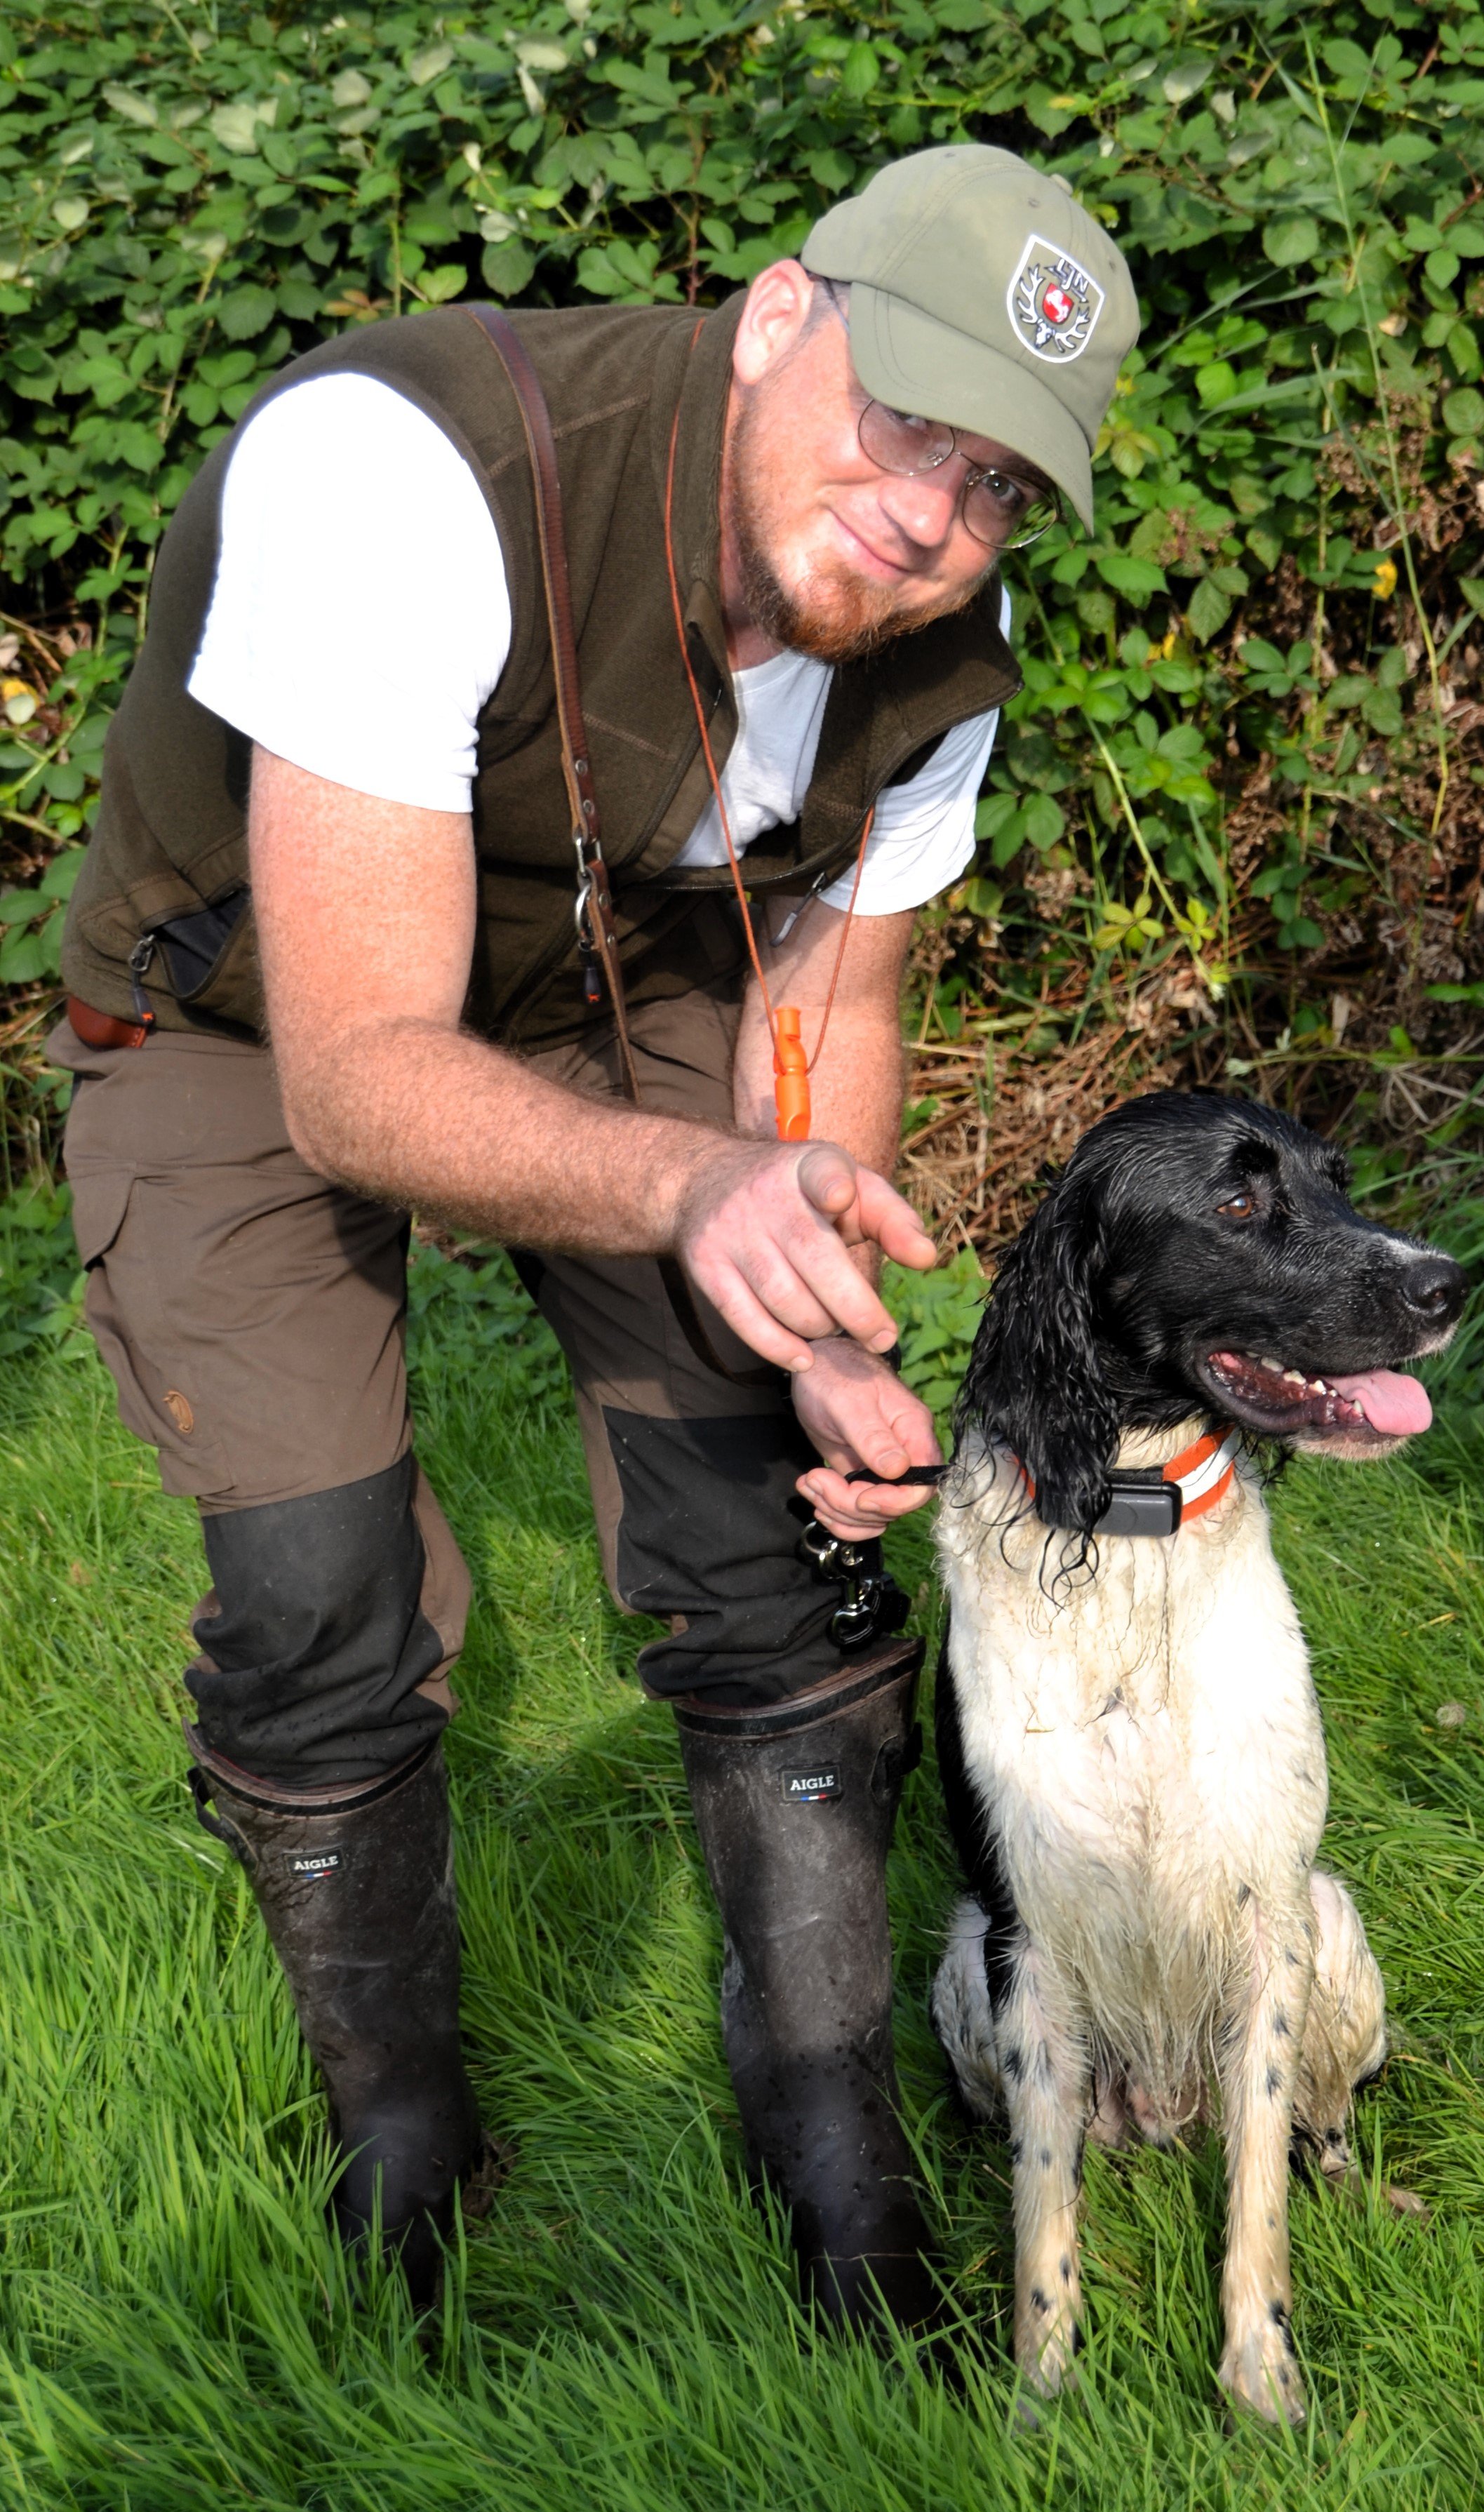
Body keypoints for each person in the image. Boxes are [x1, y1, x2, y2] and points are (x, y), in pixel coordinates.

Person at [51, 145, 1137, 2329]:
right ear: (776, 315)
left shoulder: (941, 651)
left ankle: (835, 2165)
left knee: (779, 1533)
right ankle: (401, 2155)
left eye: (1000, 487)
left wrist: (821, 1310)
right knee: (314, 1590)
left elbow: (831, 1001)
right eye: (907, 418)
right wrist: (691, 1187)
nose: (933, 516)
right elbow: (365, 1075)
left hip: (618, 989)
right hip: (252, 1016)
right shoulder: (406, 474)